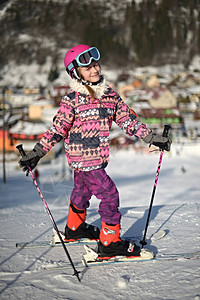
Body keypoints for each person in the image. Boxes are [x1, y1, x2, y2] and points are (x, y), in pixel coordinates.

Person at [18, 44, 171, 258]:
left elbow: (129, 121)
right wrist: (37, 153)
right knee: (110, 196)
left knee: (81, 193)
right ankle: (110, 242)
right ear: (76, 73)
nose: (94, 70)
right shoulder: (71, 101)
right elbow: (57, 129)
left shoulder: (110, 96)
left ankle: (74, 228)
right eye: (87, 68)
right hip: (85, 161)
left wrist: (152, 138)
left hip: (96, 160)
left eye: (95, 64)